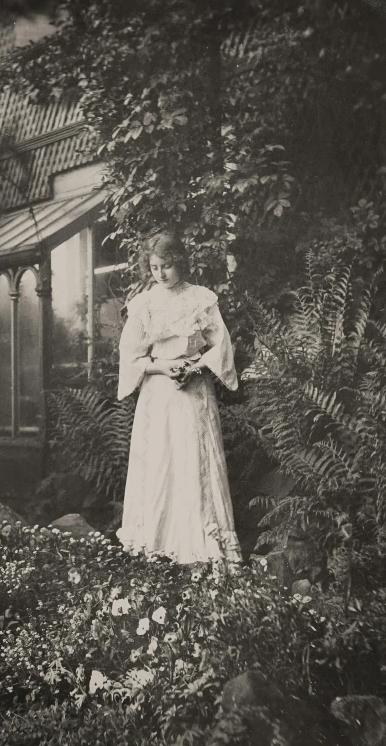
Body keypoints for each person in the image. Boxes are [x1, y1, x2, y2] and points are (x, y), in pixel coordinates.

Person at [117, 230, 241, 565]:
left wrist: (196, 366)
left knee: (192, 460)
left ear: (181, 263)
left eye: (167, 266)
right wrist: (161, 367)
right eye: (155, 267)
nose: (160, 273)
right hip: (158, 394)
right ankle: (157, 545)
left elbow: (222, 346)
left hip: (193, 391)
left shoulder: (201, 300)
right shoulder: (144, 304)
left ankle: (201, 548)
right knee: (160, 462)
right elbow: (130, 356)